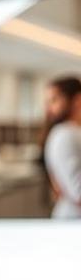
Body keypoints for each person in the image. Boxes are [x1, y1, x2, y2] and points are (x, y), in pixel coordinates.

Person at [42, 75, 81, 219]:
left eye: (54, 100)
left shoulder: (73, 132)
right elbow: (78, 194)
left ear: (77, 100)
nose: (48, 108)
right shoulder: (65, 134)